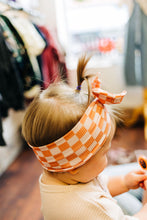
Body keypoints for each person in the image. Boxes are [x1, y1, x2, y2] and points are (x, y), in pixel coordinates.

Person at [22, 56, 147, 220]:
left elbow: (100, 185)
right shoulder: (93, 209)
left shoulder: (60, 173)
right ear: (73, 165)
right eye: (104, 153)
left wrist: (124, 182)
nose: (108, 156)